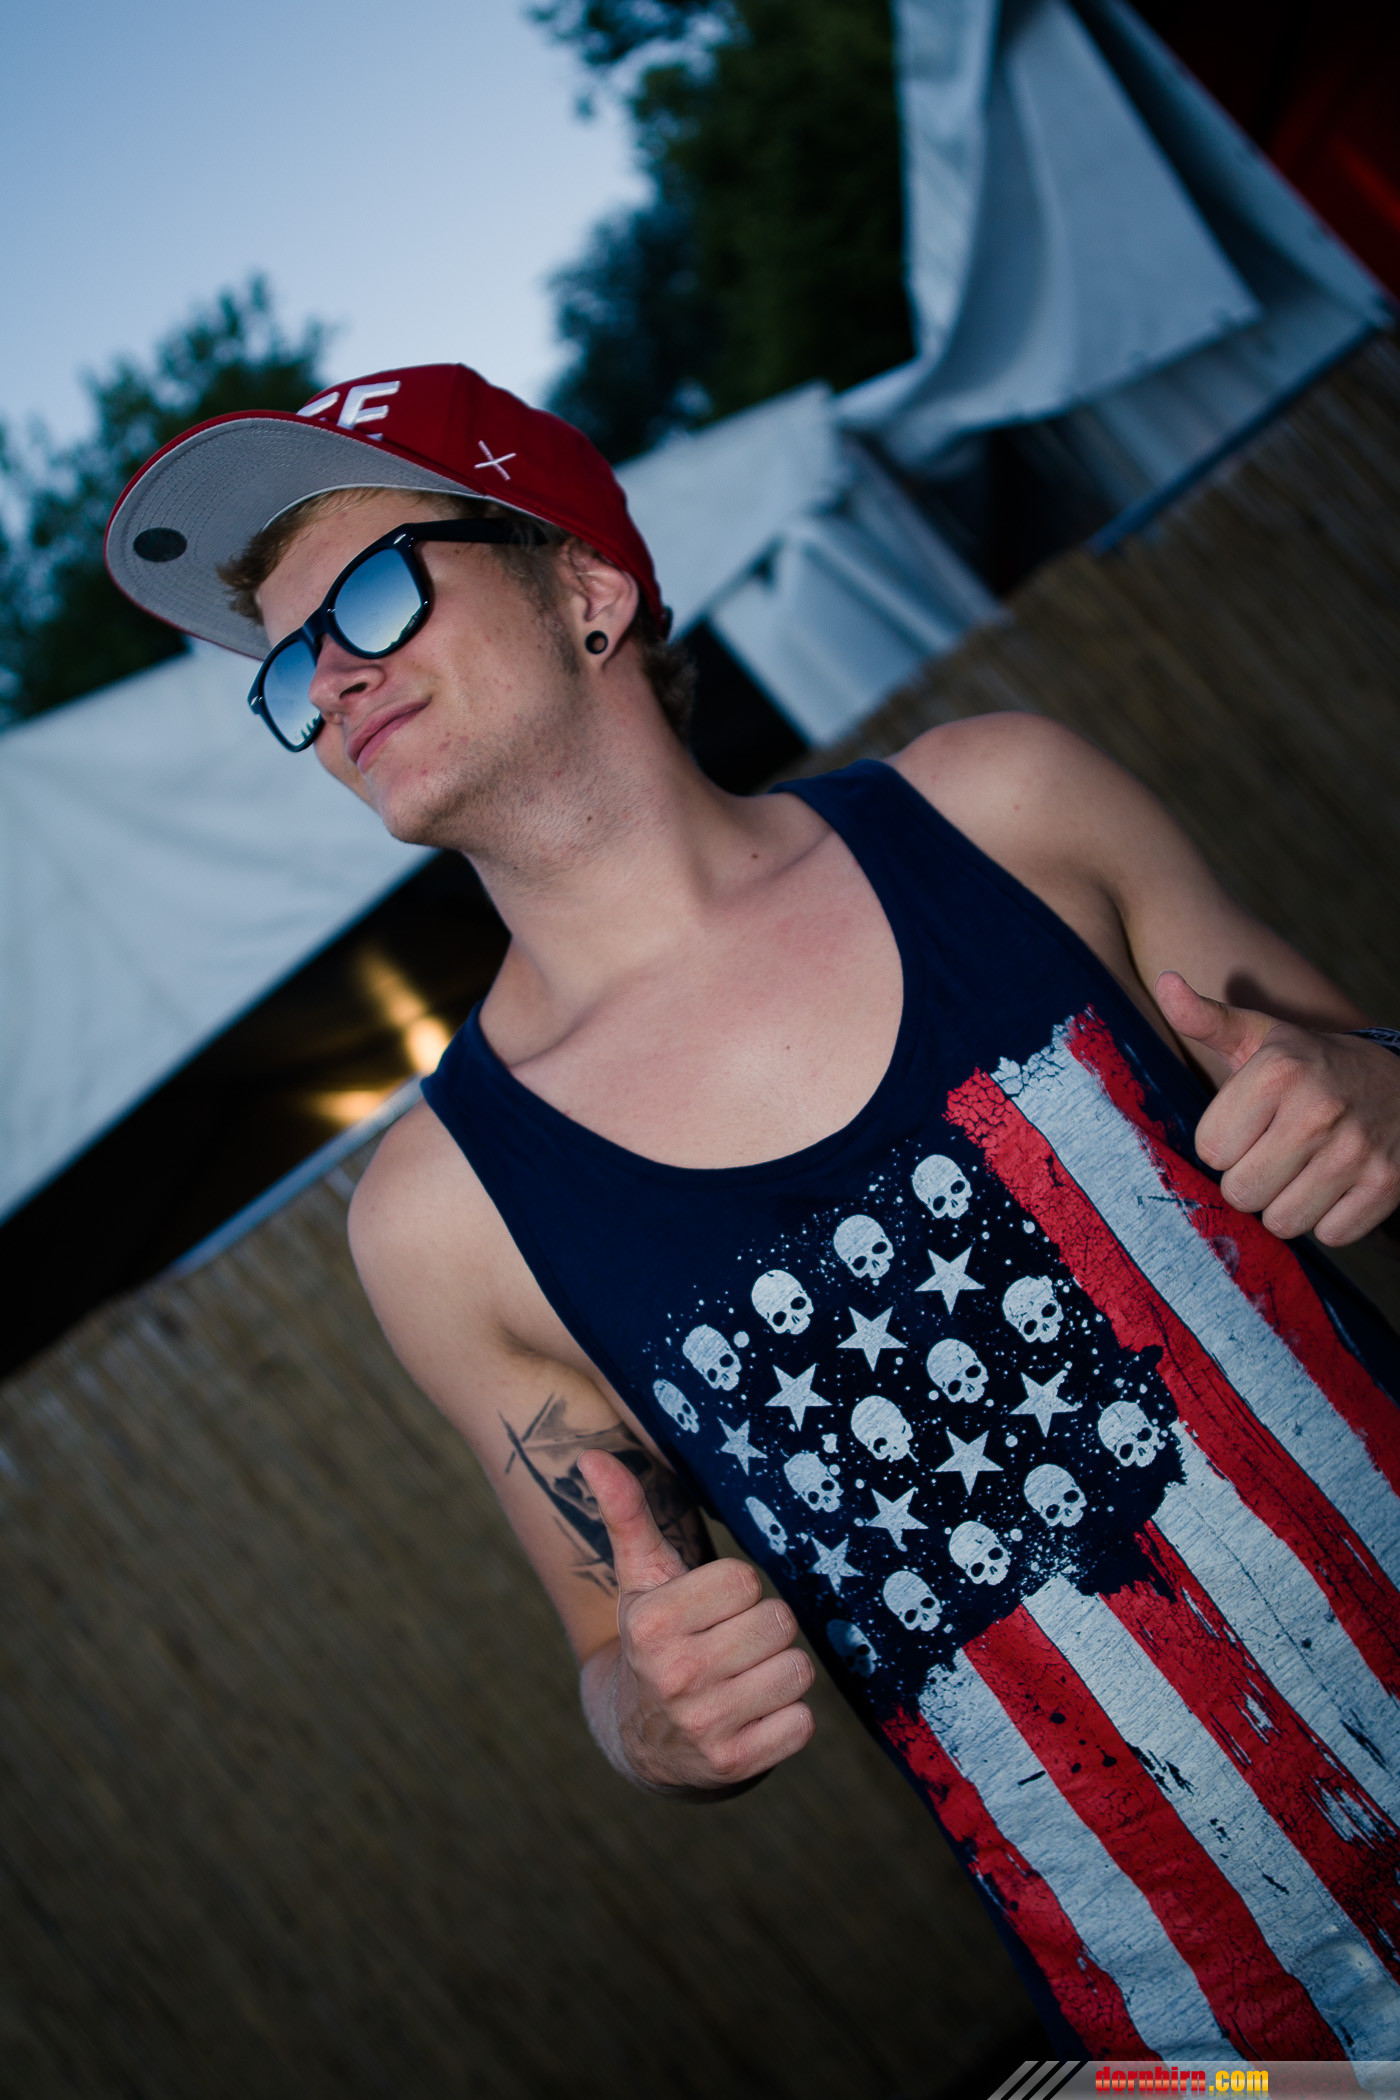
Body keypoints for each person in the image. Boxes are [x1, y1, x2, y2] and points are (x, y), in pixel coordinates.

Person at [107, 363, 1400, 2060]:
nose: (329, 678)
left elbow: (1366, 1084)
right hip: (1231, 2042)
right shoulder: (439, 1217)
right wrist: (653, 1718)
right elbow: (614, 1649)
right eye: (287, 665)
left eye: (372, 591)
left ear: (586, 585)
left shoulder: (1003, 809)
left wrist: (1372, 1099)